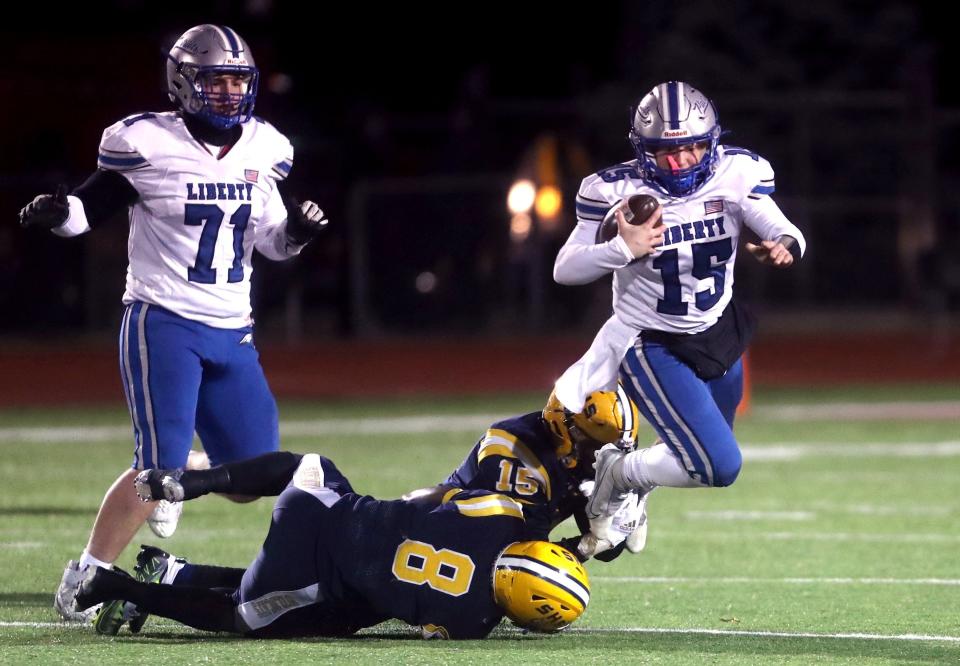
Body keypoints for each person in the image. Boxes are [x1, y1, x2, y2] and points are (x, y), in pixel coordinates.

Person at [18, 24, 329, 622]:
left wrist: (297, 234)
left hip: (232, 328)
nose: (229, 93)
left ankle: (187, 464)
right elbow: (90, 209)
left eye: (238, 80)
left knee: (250, 475)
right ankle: (84, 576)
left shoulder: (266, 147)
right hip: (162, 321)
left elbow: (270, 241)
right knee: (153, 469)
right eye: (216, 81)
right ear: (183, 83)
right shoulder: (146, 141)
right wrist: (61, 214)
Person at [551, 81, 806, 546]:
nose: (680, 162)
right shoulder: (615, 189)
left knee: (694, 449)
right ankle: (618, 475)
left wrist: (783, 245)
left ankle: (632, 483)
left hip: (717, 330)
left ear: (711, 143)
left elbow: (779, 224)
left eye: (691, 149)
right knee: (718, 464)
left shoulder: (736, 171)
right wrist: (619, 248)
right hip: (650, 340)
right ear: (643, 150)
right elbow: (564, 270)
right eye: (666, 152)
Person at [75, 452, 591, 639]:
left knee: (308, 463)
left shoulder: (502, 514)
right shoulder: (471, 623)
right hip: (308, 571)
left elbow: (435, 495)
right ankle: (125, 588)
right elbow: (422, 617)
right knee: (243, 617)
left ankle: (199, 488)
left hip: (321, 504)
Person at [403, 387, 649, 561]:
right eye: (597, 446)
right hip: (440, 538)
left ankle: (635, 504)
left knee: (610, 541)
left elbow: (606, 546)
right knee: (539, 583)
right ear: (565, 428)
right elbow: (525, 553)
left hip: (504, 541)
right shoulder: (513, 451)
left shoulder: (582, 456)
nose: (607, 456)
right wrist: (584, 548)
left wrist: (612, 530)